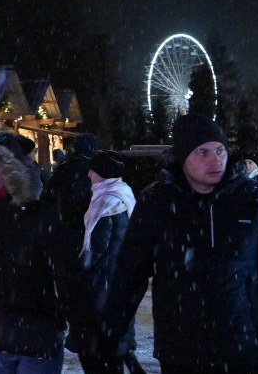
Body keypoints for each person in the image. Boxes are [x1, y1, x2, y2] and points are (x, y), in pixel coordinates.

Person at [97, 114, 258, 374]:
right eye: (202, 152)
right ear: (182, 157)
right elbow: (128, 277)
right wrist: (110, 339)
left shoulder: (257, 202)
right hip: (180, 353)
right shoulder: (156, 204)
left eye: (220, 150)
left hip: (244, 350)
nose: (216, 160)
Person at [0, 132, 87, 374]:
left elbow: (70, 282)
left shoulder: (39, 217)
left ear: (8, 172)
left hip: (38, 336)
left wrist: (87, 340)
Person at [77, 151, 143, 374]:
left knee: (104, 337)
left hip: (106, 278)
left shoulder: (107, 202)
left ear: (101, 174)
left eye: (92, 171)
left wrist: (82, 271)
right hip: (118, 273)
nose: (88, 174)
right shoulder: (122, 192)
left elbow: (99, 248)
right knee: (116, 331)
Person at [47, 133, 98, 233]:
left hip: (66, 217)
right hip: (90, 217)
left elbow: (50, 193)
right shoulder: (96, 168)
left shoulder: (64, 168)